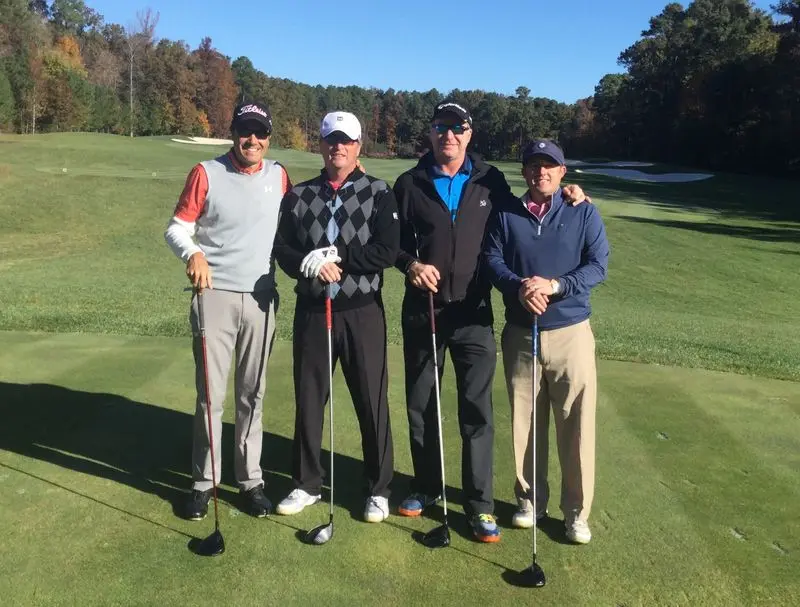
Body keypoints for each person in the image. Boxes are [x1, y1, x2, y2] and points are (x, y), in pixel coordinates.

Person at [392, 101, 588, 543]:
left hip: (474, 314)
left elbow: (526, 210)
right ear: (431, 133)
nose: (449, 135)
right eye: (441, 127)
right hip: (423, 312)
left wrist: (569, 194)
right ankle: (426, 487)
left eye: (457, 128)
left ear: (469, 133)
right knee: (422, 405)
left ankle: (479, 505)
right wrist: (410, 266)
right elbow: (394, 244)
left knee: (476, 411)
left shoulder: (489, 180)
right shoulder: (409, 183)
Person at [164, 101, 290, 521]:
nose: (251, 140)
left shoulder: (279, 176)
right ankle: (204, 483)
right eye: (244, 131)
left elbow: (294, 226)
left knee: (252, 393)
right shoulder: (206, 172)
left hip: (260, 299)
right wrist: (193, 252)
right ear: (233, 132)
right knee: (211, 396)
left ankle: (250, 480)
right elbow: (177, 226)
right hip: (213, 295)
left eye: (259, 132)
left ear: (268, 137)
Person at [272, 111, 399, 523]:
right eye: (330, 140)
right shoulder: (299, 195)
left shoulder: (379, 192)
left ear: (358, 146)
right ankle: (306, 483)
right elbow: (283, 249)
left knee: (371, 402)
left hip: (362, 313)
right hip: (313, 312)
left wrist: (336, 257)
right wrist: (308, 263)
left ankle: (378, 489)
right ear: (320, 145)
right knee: (309, 401)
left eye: (346, 140)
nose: (337, 147)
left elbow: (386, 251)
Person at [483, 139, 609, 544]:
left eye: (549, 166)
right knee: (526, 423)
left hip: (571, 332)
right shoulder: (506, 214)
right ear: (524, 172)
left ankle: (576, 514)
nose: (541, 172)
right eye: (534, 166)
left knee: (576, 426)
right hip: (521, 333)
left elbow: (597, 266)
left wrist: (555, 286)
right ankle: (530, 501)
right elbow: (492, 260)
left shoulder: (582, 211)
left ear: (562, 172)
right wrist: (519, 286)